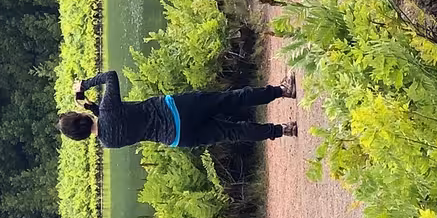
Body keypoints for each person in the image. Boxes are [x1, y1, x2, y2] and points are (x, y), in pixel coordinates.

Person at [60, 69, 297, 148]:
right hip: (176, 110)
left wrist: (91, 106)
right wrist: (85, 85)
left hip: (176, 137)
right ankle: (282, 91)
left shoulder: (108, 142)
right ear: (80, 116)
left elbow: (112, 120)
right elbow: (111, 76)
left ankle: (282, 130)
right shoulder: (108, 109)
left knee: (231, 133)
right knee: (230, 99)